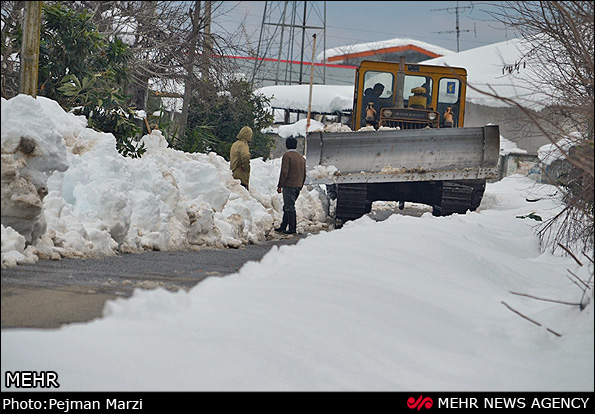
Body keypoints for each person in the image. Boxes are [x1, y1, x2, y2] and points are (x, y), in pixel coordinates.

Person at [275, 137, 306, 234]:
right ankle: (283, 226)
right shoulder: (301, 158)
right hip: (298, 185)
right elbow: (304, 173)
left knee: (290, 207)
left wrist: (280, 185)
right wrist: (301, 185)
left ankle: (292, 228)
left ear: (286, 145)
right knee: (288, 205)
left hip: (289, 185)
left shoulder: (287, 156)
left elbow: (284, 171)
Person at [230, 126, 253, 190]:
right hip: (241, 174)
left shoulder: (235, 144)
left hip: (234, 172)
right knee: (243, 193)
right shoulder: (243, 145)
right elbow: (245, 156)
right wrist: (246, 167)